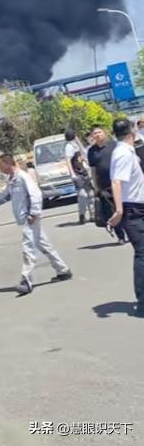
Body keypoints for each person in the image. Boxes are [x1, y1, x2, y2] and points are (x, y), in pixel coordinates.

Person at [0, 153, 72, 295]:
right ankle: (63, 270)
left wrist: (33, 213)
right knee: (43, 245)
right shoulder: (12, 179)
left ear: (7, 164)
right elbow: (5, 194)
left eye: (0, 165)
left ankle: (26, 280)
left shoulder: (23, 177)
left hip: (30, 218)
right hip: (26, 218)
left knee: (28, 248)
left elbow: (36, 194)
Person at [109, 118, 144, 318]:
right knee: (142, 254)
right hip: (132, 210)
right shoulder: (122, 153)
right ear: (132, 131)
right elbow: (116, 182)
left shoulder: (127, 151)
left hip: (138, 207)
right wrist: (119, 210)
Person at [87, 124, 126, 244]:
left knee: (126, 208)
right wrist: (95, 187)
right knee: (113, 211)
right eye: (95, 133)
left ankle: (132, 232)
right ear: (92, 136)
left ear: (104, 133)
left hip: (120, 183)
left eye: (99, 132)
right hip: (105, 186)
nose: (98, 135)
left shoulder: (114, 145)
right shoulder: (91, 151)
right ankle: (120, 236)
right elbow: (93, 170)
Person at [69, 148, 94, 225]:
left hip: (86, 173)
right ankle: (82, 215)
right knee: (82, 195)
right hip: (78, 174)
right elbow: (68, 161)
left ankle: (93, 214)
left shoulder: (80, 146)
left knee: (91, 194)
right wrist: (72, 173)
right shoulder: (69, 147)